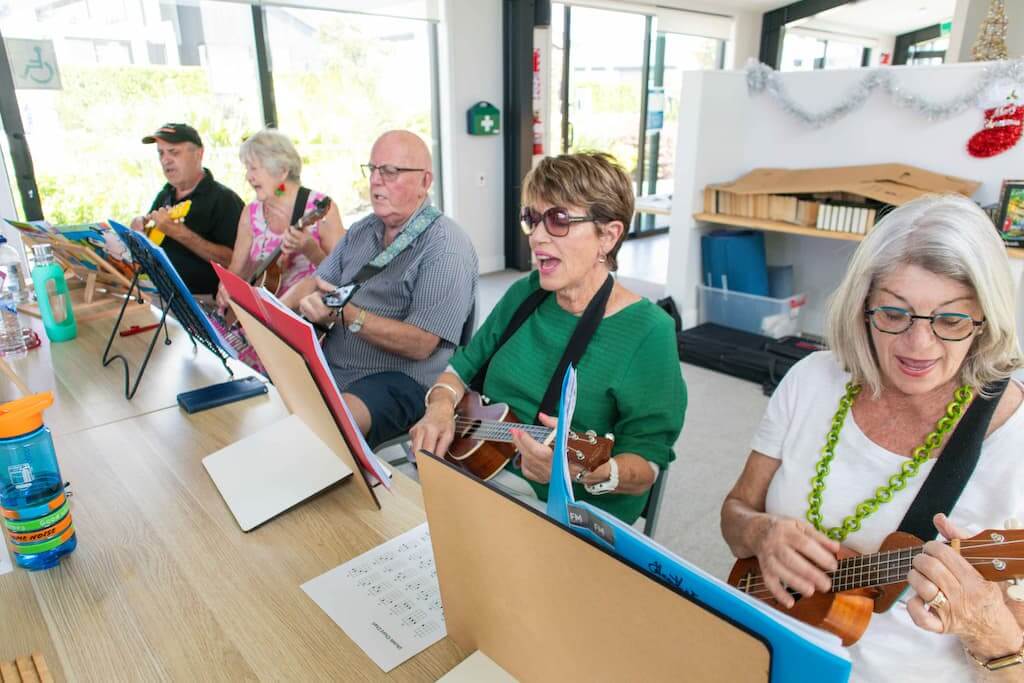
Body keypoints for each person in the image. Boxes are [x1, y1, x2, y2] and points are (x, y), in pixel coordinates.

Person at [720, 194, 1024, 682]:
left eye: (950, 320)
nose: (917, 345)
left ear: (986, 320)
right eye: (894, 314)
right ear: (863, 307)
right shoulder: (811, 379)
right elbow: (735, 513)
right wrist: (760, 532)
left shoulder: (1016, 442)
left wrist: (985, 629)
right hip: (761, 650)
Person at [410, 152, 685, 525]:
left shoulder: (649, 331)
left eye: (558, 220)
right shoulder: (525, 293)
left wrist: (580, 472)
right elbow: (460, 369)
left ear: (608, 235)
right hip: (477, 471)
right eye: (532, 219)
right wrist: (439, 408)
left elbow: (647, 465)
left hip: (566, 510)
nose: (537, 237)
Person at [281, 130, 477, 449]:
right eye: (372, 169)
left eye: (390, 171)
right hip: (337, 362)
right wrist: (268, 309)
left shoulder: (446, 246)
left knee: (323, 427)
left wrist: (349, 315)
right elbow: (317, 282)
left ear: (425, 182)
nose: (375, 181)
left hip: (404, 380)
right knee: (274, 402)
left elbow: (421, 344)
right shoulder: (362, 230)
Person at [216, 128, 345, 307]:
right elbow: (236, 270)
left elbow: (343, 278)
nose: (248, 177)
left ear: (282, 170)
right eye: (247, 169)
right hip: (259, 311)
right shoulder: (251, 213)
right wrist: (226, 287)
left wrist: (310, 250)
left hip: (309, 315)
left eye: (254, 168)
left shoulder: (320, 207)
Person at [130, 123, 243, 296]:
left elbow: (235, 262)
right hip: (159, 296)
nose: (165, 160)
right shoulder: (165, 195)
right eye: (161, 153)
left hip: (204, 303)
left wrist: (180, 233)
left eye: (174, 152)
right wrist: (140, 232)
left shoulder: (223, 199)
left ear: (199, 153)